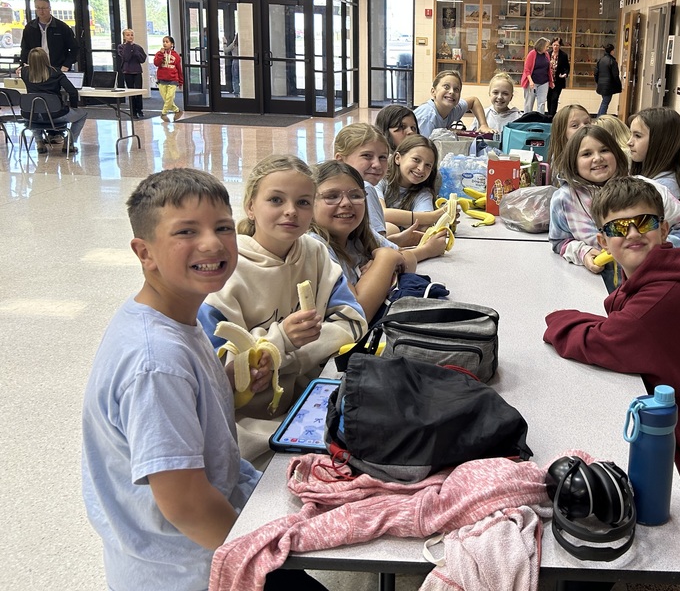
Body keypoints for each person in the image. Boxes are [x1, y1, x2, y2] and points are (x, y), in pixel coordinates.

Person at [81, 168, 327, 591]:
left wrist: (230, 384)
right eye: (186, 232)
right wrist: (257, 557)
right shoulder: (156, 361)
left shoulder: (173, 319)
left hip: (207, 542)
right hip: (193, 568)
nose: (211, 243)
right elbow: (186, 504)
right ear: (145, 252)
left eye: (222, 227)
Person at [543, 176, 680, 504]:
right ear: (602, 241)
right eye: (619, 228)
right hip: (678, 413)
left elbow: (599, 340)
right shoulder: (658, 278)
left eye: (644, 223)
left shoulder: (661, 297)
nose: (632, 233)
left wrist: (555, 319)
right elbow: (618, 329)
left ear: (665, 230)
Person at [198, 154, 366, 465]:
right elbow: (220, 379)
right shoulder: (225, 272)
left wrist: (292, 354)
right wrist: (280, 342)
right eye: (276, 199)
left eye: (303, 202)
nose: (291, 211)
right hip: (248, 425)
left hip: (310, 399)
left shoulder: (314, 253)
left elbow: (354, 322)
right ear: (251, 206)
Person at [549, 125, 680, 288]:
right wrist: (582, 252)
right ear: (573, 162)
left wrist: (659, 252)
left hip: (654, 284)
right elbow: (560, 241)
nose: (598, 158)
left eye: (604, 150)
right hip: (598, 289)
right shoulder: (564, 199)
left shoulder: (647, 188)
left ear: (616, 153)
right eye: (587, 154)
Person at [312, 161, 448, 323]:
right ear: (308, 203)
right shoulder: (315, 247)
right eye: (332, 196)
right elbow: (357, 314)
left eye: (355, 195)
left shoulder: (362, 235)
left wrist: (378, 272)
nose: (346, 203)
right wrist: (385, 259)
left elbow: (409, 262)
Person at [20, 46, 87, 154]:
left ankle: (39, 142)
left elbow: (25, 70)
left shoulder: (24, 72)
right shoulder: (56, 73)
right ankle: (69, 143)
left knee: (34, 111)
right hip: (55, 116)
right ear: (46, 58)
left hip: (31, 116)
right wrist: (73, 107)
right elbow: (72, 91)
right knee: (83, 114)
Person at [629, 106, 680, 209]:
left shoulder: (663, 187)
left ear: (660, 142)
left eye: (637, 136)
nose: (629, 142)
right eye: (631, 134)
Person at [381, 134, 445, 231]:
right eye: (416, 159)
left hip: (400, 243)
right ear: (398, 158)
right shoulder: (380, 180)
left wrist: (427, 218)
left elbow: (423, 227)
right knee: (391, 229)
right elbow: (380, 213)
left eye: (428, 165)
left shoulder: (423, 193)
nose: (421, 168)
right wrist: (433, 216)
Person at [414, 70, 493, 136]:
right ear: (433, 91)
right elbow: (422, 149)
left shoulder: (453, 109)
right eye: (446, 87)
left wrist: (483, 125)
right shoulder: (428, 118)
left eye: (456, 89)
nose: (451, 92)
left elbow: (474, 101)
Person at [19, 0, 77, 71]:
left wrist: (66, 65)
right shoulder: (30, 28)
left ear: (49, 8)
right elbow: (25, 48)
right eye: (38, 8)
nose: (41, 11)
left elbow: (74, 48)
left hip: (57, 69)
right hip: (36, 70)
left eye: (43, 8)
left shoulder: (62, 27)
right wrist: (23, 64)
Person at [548, 104, 591, 183]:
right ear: (562, 132)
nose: (584, 127)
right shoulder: (559, 160)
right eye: (575, 125)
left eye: (587, 123)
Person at [116, 28, 148, 119]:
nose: (130, 37)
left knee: (138, 91)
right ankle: (133, 111)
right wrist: (129, 46)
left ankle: (139, 109)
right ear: (124, 37)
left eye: (131, 35)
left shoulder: (138, 47)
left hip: (137, 71)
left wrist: (136, 53)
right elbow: (126, 57)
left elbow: (142, 59)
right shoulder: (121, 47)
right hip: (127, 71)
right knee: (131, 91)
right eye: (128, 35)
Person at [153, 35, 184, 122]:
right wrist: (160, 54)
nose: (165, 43)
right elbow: (156, 63)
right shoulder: (159, 53)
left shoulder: (176, 55)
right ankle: (177, 111)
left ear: (172, 44)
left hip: (173, 79)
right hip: (162, 79)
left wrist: (181, 81)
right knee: (166, 99)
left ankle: (163, 114)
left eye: (167, 42)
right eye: (163, 42)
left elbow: (179, 69)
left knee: (170, 97)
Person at [520, 36, 552, 113]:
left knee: (542, 102)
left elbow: (548, 68)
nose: (548, 48)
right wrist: (530, 81)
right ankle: (527, 119)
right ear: (541, 46)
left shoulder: (546, 54)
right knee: (529, 103)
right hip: (532, 82)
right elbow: (527, 69)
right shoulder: (532, 54)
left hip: (544, 81)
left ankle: (540, 119)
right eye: (546, 46)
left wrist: (551, 81)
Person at [595, 43, 621, 116]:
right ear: (611, 51)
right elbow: (615, 75)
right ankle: (600, 118)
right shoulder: (612, 61)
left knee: (604, 102)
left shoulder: (600, 60)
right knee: (605, 103)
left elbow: (596, 73)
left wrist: (598, 82)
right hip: (609, 85)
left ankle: (600, 117)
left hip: (601, 85)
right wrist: (618, 85)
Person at [548, 36, 570, 115]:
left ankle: (552, 116)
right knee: (549, 98)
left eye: (557, 45)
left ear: (560, 46)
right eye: (554, 45)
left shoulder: (563, 55)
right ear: (552, 45)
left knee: (555, 98)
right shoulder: (548, 54)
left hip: (558, 81)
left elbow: (567, 67)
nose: (555, 47)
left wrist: (565, 74)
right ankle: (549, 115)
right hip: (548, 81)